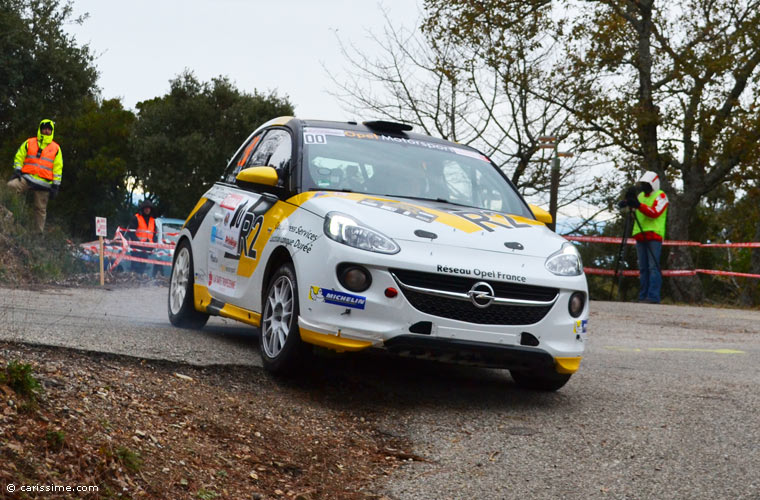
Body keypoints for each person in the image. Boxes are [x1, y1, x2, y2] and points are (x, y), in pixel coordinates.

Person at [620, 171, 669, 303]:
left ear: (653, 184)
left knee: (653, 267)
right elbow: (636, 208)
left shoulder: (661, 196)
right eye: (643, 184)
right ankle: (643, 296)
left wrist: (638, 205)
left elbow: (654, 212)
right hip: (640, 235)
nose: (644, 187)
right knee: (643, 268)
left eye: (646, 184)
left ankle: (653, 296)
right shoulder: (641, 195)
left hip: (654, 235)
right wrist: (627, 203)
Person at [7, 119, 63, 232]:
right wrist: (17, 170)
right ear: (40, 129)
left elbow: (58, 168)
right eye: (44, 128)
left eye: (49, 129)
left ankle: (38, 234)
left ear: (51, 131)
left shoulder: (56, 148)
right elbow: (19, 156)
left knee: (40, 209)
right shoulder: (29, 142)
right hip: (26, 178)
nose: (46, 131)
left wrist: (55, 186)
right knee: (11, 187)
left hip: (44, 184)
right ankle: (9, 215)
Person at [126, 200, 158, 275]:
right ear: (143, 209)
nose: (147, 209)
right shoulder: (136, 218)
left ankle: (139, 282)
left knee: (143, 269)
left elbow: (154, 234)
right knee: (135, 268)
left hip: (147, 249)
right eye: (146, 208)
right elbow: (130, 232)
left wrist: (153, 244)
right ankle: (134, 281)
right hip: (136, 249)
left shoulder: (152, 220)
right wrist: (138, 242)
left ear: (151, 209)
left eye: (149, 208)